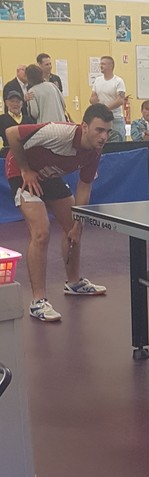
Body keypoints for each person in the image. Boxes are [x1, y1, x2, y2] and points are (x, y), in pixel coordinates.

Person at [4, 104, 114, 323]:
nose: (104, 137)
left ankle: (74, 283)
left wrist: (78, 225)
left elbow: (84, 186)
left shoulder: (94, 151)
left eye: (108, 131)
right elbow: (11, 133)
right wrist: (26, 170)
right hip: (22, 172)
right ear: (84, 127)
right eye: (99, 130)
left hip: (50, 175)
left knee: (73, 226)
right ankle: (38, 302)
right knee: (41, 233)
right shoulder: (58, 132)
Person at [90, 56, 126, 141]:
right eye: (100, 64)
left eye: (103, 64)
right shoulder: (97, 80)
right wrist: (93, 101)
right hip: (102, 119)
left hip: (115, 119)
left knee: (118, 144)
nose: (100, 66)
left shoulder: (118, 81)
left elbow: (120, 100)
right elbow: (92, 98)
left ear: (110, 66)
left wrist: (105, 108)